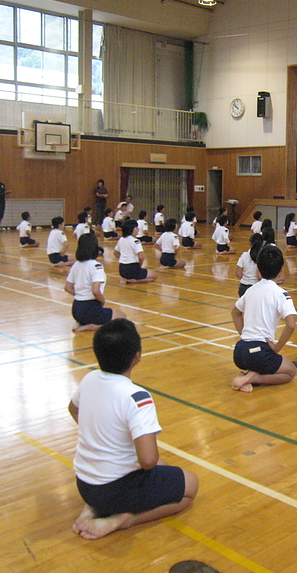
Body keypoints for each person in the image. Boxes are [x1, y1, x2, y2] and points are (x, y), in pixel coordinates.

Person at [69, 318, 198, 540]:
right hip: (114, 490)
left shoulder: (89, 378)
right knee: (191, 484)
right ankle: (124, 520)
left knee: (163, 466)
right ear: (137, 356)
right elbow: (147, 460)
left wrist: (100, 436)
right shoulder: (137, 397)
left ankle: (94, 508)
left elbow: (73, 409)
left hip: (85, 485)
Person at [231, 245, 297, 392]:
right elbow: (291, 325)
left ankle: (248, 373)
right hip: (259, 352)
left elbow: (235, 312)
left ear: (258, 270)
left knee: (261, 361)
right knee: (290, 371)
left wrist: (244, 335)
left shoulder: (250, 290)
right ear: (281, 270)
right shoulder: (281, 294)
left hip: (240, 351)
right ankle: (253, 378)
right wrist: (276, 348)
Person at [65, 234, 125, 332]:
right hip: (90, 308)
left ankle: (82, 322)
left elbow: (68, 287)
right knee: (122, 318)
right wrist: (102, 301)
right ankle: (92, 326)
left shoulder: (76, 265)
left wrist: (81, 295)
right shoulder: (96, 266)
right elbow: (95, 291)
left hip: (76, 309)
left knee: (106, 313)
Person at [114, 220, 157, 284]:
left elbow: (115, 253)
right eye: (136, 228)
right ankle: (134, 281)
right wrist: (139, 266)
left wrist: (124, 259)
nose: (138, 229)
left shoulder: (121, 239)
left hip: (122, 269)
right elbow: (141, 257)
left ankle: (126, 278)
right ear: (133, 229)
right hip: (132, 268)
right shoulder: (136, 241)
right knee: (154, 275)